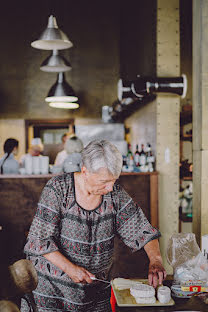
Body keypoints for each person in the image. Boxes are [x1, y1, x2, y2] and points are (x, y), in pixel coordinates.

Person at [21, 140, 166, 312]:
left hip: (95, 290)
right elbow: (39, 240)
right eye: (104, 181)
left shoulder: (114, 195)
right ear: (85, 171)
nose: (111, 188)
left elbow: (141, 229)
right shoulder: (58, 190)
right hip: (53, 291)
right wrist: (71, 269)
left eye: (114, 181)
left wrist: (156, 260)